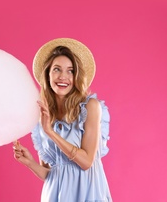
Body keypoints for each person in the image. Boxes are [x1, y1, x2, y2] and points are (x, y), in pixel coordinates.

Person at [13, 38, 112, 202]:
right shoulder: (41, 117)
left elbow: (86, 162)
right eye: (57, 69)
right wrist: (29, 162)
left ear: (76, 76)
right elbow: (50, 174)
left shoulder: (90, 108)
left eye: (70, 71)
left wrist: (51, 133)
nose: (63, 77)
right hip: (54, 196)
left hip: (88, 193)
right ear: (48, 74)